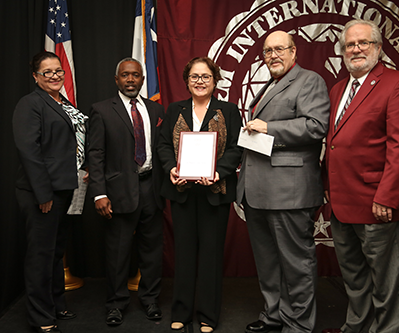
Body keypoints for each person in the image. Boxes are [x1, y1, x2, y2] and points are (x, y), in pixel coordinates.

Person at [322, 19, 399, 333]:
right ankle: (357, 326)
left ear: (378, 48)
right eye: (350, 44)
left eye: (363, 43)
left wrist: (387, 197)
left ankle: (386, 330)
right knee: (353, 275)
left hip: (377, 202)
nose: (356, 49)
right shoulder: (339, 88)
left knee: (387, 278)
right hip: (341, 201)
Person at [236, 31, 330, 333]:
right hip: (258, 191)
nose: (272, 55)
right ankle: (273, 316)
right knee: (267, 262)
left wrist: (269, 127)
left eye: (279, 49)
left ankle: (298, 325)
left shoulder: (309, 80)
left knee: (295, 263)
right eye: (267, 51)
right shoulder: (270, 84)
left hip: (289, 191)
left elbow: (316, 126)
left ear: (293, 52)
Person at [157, 57, 242, 333]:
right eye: (194, 77)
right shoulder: (174, 109)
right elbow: (162, 144)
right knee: (183, 254)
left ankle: (207, 315)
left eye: (205, 76)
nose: (200, 82)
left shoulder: (228, 110)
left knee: (210, 255)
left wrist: (218, 172)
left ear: (215, 80)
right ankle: (181, 311)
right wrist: (171, 168)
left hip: (214, 193)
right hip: (181, 191)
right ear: (187, 81)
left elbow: (235, 148)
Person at [13, 51, 87, 333]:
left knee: (56, 253)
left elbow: (70, 143)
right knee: (40, 256)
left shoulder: (62, 102)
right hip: (41, 194)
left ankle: (56, 305)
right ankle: (40, 316)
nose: (55, 76)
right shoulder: (29, 104)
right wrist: (42, 194)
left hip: (65, 188)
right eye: (47, 72)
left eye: (58, 71)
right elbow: (29, 151)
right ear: (35, 76)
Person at [88, 58, 165, 326]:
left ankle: (150, 300)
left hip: (152, 189)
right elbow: (95, 154)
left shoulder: (156, 110)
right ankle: (116, 304)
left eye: (135, 75)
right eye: (125, 75)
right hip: (118, 192)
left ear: (143, 80)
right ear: (116, 80)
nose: (130, 80)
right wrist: (99, 193)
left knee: (152, 251)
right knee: (118, 252)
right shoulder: (101, 110)